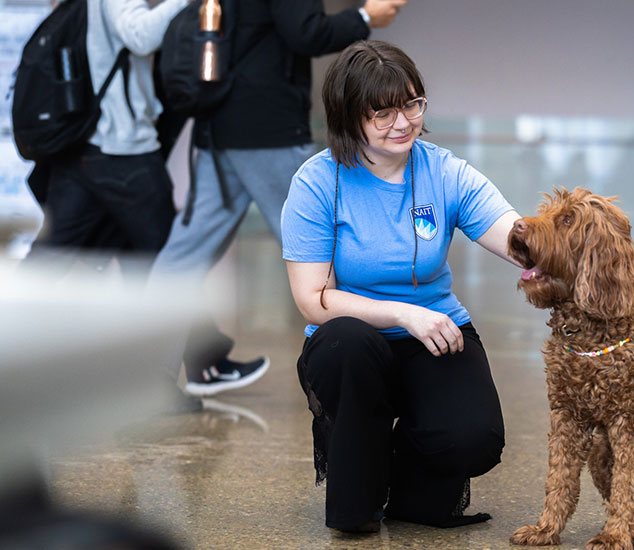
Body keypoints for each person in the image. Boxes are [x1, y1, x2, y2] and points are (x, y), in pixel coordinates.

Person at [281, 41, 521, 533]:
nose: (404, 122)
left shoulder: (443, 171)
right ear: (350, 117)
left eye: (412, 104)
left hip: (435, 332)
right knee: (349, 344)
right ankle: (359, 472)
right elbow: (314, 299)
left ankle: (394, 463)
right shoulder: (317, 182)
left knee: (474, 438)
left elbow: (515, 236)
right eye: (383, 112)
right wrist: (401, 313)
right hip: (352, 344)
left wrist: (570, 247)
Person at [149, 0, 407, 399]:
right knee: (333, 249)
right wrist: (365, 17)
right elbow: (306, 32)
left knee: (183, 256)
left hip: (220, 129)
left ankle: (147, 382)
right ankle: (369, 371)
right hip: (268, 131)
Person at [23, 0, 193, 277]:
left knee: (50, 256)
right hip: (124, 149)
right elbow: (141, 36)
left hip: (85, 143)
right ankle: (191, 322)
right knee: (169, 260)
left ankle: (10, 315)